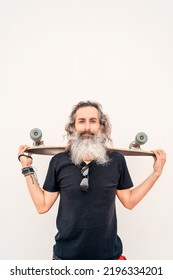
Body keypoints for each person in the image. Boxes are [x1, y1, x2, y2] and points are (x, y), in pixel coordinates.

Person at [18, 101, 166, 260]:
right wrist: (27, 169)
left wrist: (156, 173)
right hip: (66, 258)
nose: (87, 127)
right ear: (73, 127)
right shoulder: (58, 161)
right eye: (81, 121)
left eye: (93, 121)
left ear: (101, 127)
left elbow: (129, 201)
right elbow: (42, 206)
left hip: (108, 258)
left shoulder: (116, 160)